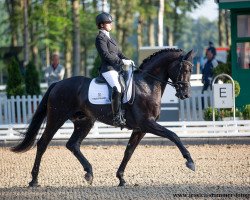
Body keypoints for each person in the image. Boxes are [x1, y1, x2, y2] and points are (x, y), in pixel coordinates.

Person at [95, 12, 134, 127]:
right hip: (108, 69)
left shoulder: (111, 38)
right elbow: (106, 55)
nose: (111, 24)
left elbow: (119, 53)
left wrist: (128, 60)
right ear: (102, 25)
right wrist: (121, 62)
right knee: (117, 88)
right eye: (108, 22)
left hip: (116, 69)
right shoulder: (100, 38)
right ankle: (116, 117)